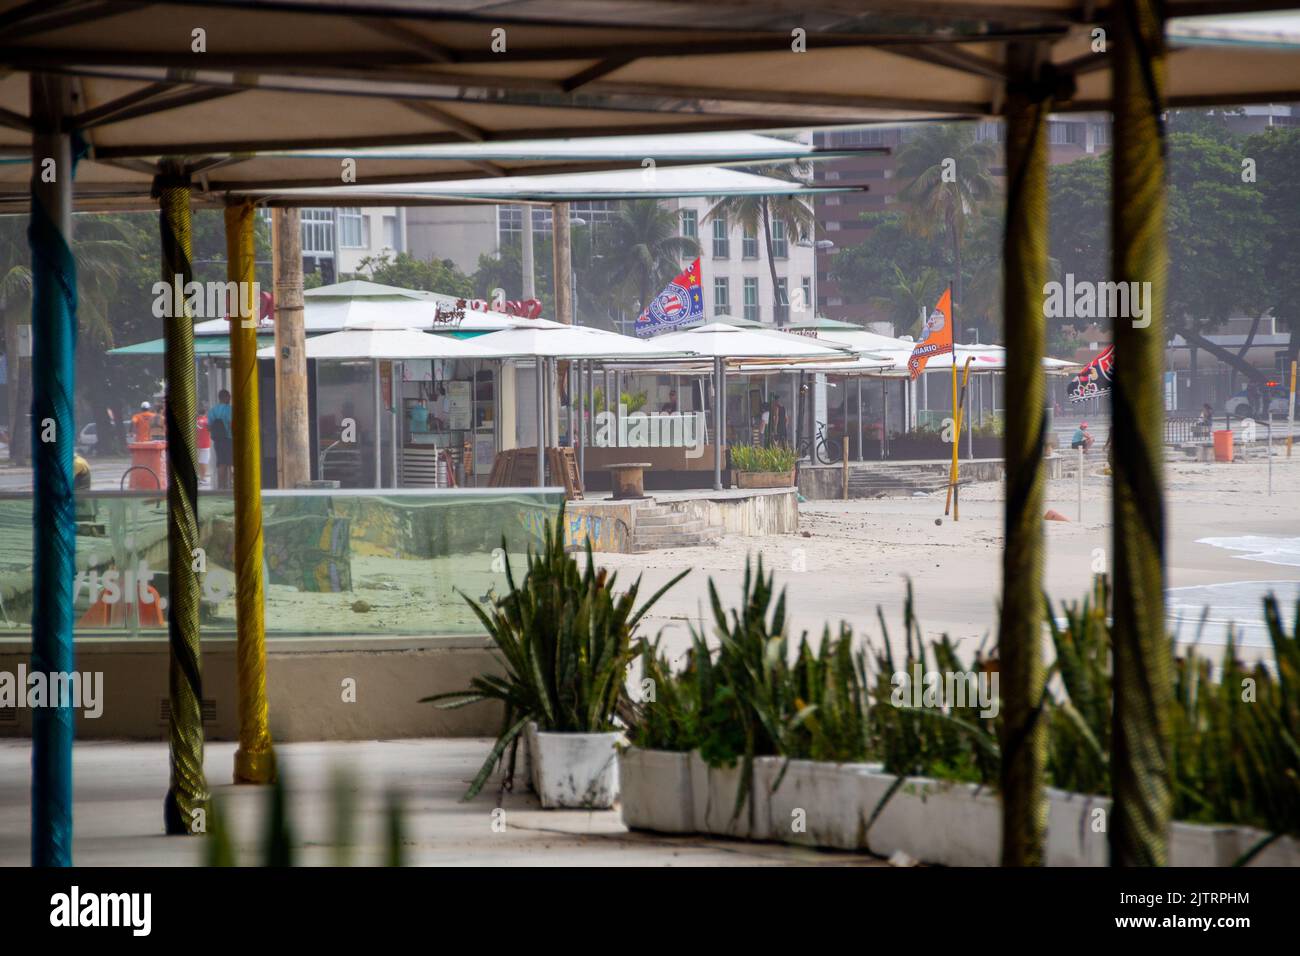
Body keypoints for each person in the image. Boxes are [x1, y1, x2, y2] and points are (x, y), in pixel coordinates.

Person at [209, 388, 233, 490]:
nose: (230, 399)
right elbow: (233, 424)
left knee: (221, 463)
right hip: (229, 439)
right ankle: (231, 485)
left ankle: (221, 487)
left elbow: (209, 427)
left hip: (218, 441)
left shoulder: (212, 411)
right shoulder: (231, 409)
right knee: (231, 463)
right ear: (226, 397)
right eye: (229, 397)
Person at [196, 406, 211, 486]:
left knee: (198, 461)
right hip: (205, 444)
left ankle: (199, 478)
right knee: (204, 461)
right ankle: (203, 478)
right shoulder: (207, 421)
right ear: (205, 412)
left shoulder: (194, 421)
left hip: (196, 444)